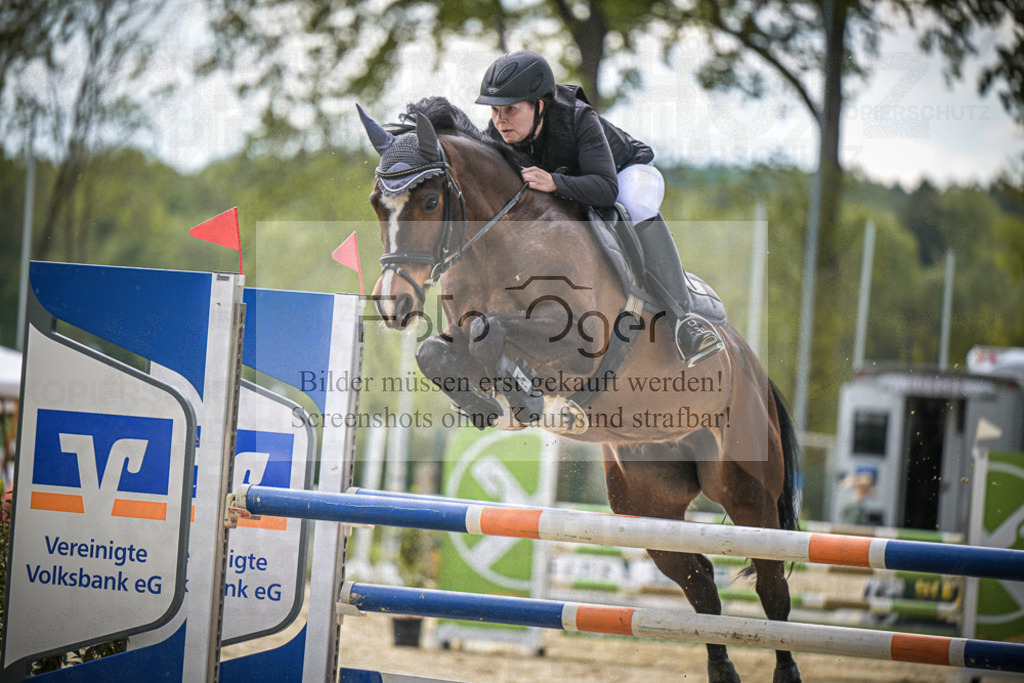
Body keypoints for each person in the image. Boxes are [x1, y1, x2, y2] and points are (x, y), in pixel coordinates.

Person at [476, 50, 723, 367]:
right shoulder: (497, 132)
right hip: (572, 184)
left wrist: (555, 183)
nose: (501, 120)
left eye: (511, 109)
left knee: (634, 204)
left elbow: (607, 190)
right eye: (495, 110)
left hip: (624, 174)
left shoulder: (577, 118)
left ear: (540, 105)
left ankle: (684, 320)